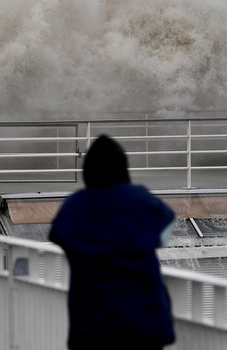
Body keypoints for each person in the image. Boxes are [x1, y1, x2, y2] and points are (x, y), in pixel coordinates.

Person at [49, 134, 176, 350]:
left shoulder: (75, 206)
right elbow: (165, 231)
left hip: (92, 325)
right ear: (123, 168)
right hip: (143, 323)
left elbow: (58, 235)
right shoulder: (140, 199)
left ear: (87, 171)